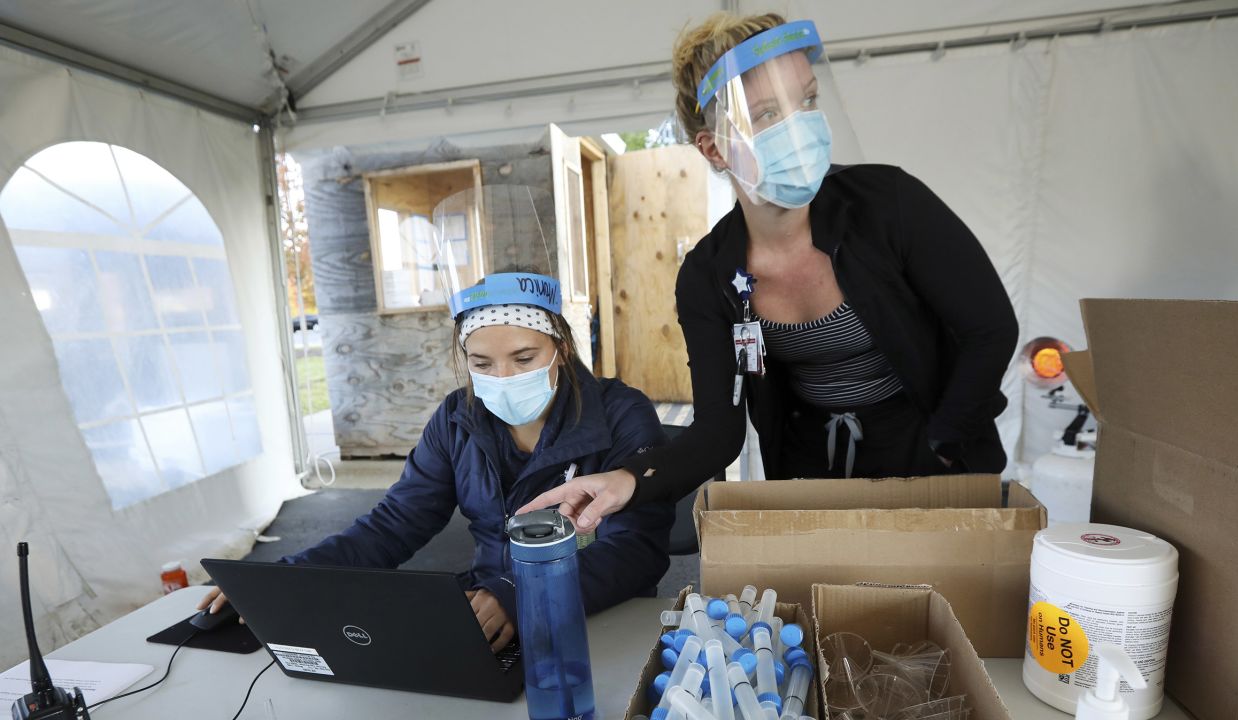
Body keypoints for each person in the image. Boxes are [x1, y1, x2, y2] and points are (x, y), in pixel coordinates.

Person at [521, 12, 1018, 533]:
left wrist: (945, 443)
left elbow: (989, 329)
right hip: (810, 474)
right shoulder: (709, 276)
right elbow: (719, 431)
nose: (799, 127)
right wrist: (629, 479)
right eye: (764, 114)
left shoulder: (888, 205)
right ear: (713, 148)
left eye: (805, 100)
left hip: (929, 456)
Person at [200, 297, 674, 653]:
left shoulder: (620, 414)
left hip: (600, 614)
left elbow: (634, 552)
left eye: (524, 358)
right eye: (482, 363)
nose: (503, 377)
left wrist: (516, 595)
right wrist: (286, 580)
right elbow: (395, 523)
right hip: (486, 616)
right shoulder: (458, 418)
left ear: (563, 349)